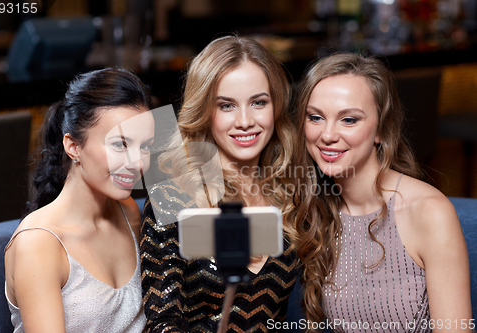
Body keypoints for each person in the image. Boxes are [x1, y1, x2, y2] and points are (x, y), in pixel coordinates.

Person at [290, 53, 473, 332]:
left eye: (349, 120)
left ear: (380, 129)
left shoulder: (428, 212)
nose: (326, 134)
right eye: (315, 117)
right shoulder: (315, 207)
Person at [140, 35, 298, 333]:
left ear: (275, 106)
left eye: (258, 102)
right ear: (204, 112)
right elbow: (162, 323)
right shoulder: (171, 198)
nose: (245, 121)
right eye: (226, 106)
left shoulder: (287, 194)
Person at [4, 68, 154, 333]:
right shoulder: (39, 243)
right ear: (73, 146)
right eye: (120, 144)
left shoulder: (128, 211)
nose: (138, 163)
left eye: (145, 146)